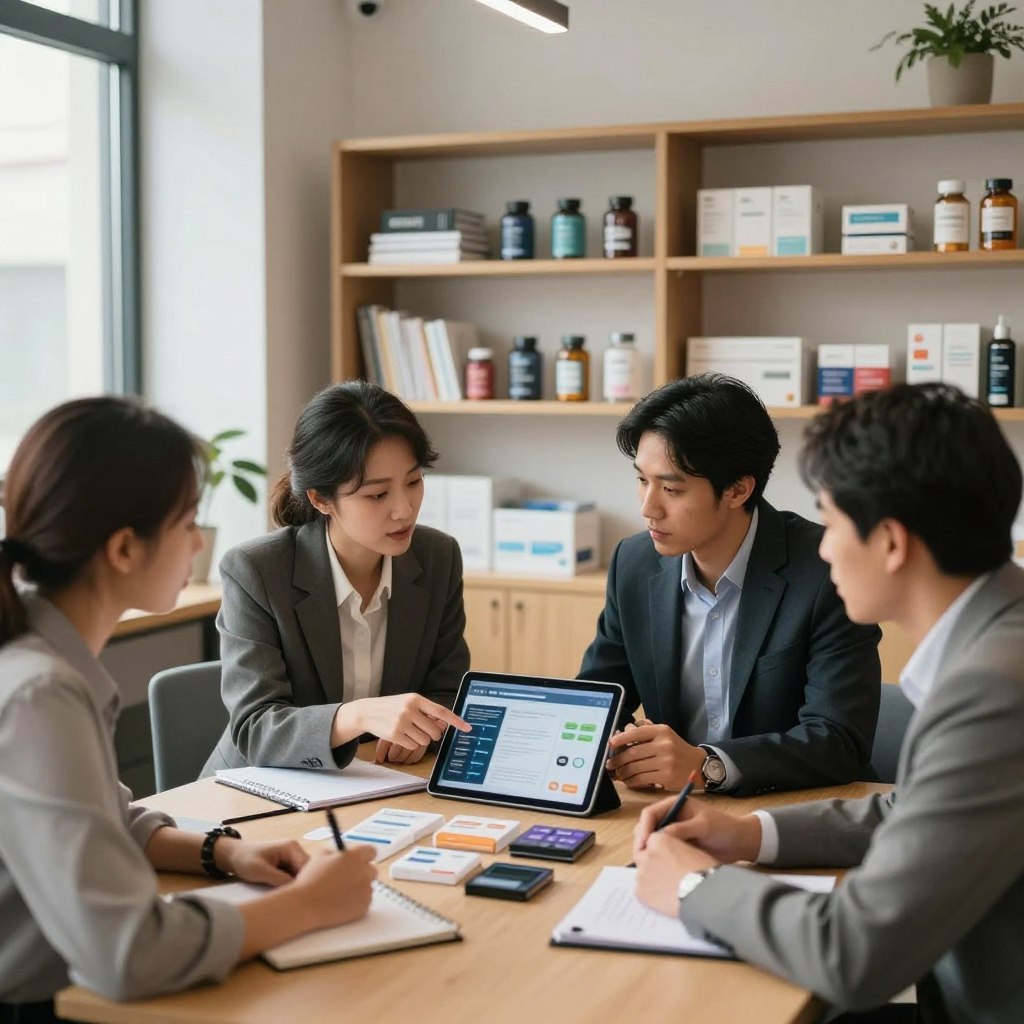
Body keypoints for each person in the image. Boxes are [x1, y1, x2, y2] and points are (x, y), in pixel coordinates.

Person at [633, 383, 1024, 1024]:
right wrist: (747, 833)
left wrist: (691, 886)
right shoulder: (999, 635)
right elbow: (918, 812)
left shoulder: (994, 689)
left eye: (833, 521)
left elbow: (853, 952)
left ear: (891, 543)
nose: (821, 547)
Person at [0, 397, 377, 1021]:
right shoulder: (40, 693)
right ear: (124, 548)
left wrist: (223, 852)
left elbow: (108, 819)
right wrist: (311, 905)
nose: (198, 543)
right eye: (186, 523)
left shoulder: (44, 659)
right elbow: (128, 955)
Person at [579, 373, 881, 795]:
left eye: (671, 488)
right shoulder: (634, 562)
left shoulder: (827, 570)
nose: (649, 508)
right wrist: (616, 745)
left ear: (738, 489)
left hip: (793, 810)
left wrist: (707, 766)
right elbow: (595, 699)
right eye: (642, 481)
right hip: (672, 809)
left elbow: (839, 740)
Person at [203, 381, 470, 777]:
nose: (404, 510)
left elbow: (449, 692)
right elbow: (256, 730)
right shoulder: (256, 571)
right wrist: (359, 716)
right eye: (377, 495)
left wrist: (422, 731)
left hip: (374, 780)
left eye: (413, 482)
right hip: (258, 789)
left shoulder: (437, 557)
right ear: (320, 499)